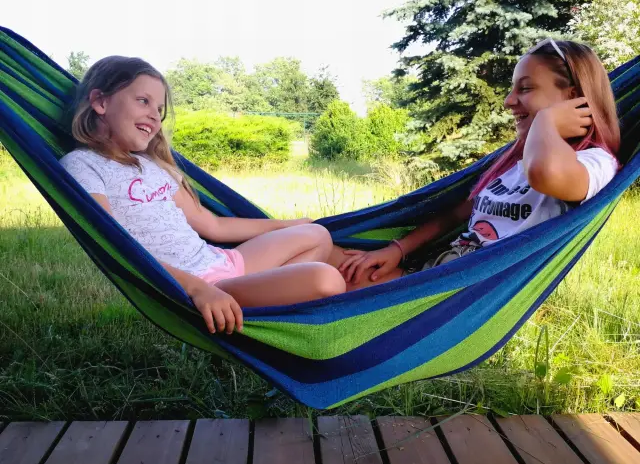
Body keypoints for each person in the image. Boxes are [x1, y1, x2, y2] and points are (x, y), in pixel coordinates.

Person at [61, 56, 346, 335]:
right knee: (326, 280)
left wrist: (286, 224)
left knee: (317, 234)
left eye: (159, 109)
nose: (154, 116)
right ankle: (258, 309)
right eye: (143, 101)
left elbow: (214, 226)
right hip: (197, 285)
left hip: (223, 262)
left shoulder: (153, 166)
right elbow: (116, 246)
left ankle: (261, 300)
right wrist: (197, 289)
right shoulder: (82, 165)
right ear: (100, 102)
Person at [338, 39, 621, 288]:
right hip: (424, 275)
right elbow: (454, 216)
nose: (509, 101)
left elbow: (545, 173)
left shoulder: (596, 162)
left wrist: (546, 121)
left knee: (321, 278)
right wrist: (396, 249)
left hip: (452, 298)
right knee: (317, 239)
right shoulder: (511, 164)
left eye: (525, 88)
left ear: (572, 96)